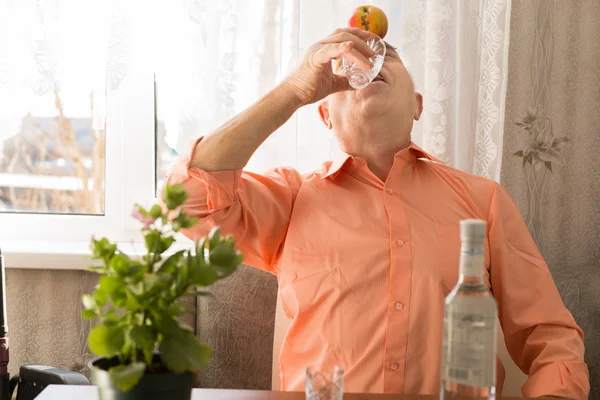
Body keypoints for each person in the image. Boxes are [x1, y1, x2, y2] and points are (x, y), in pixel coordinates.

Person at [164, 28, 589, 398]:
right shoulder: (291, 198)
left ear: (417, 106)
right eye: (352, 63)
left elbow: (549, 337)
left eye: (389, 56)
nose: (370, 58)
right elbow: (187, 199)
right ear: (325, 114)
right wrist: (294, 90)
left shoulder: (485, 201)